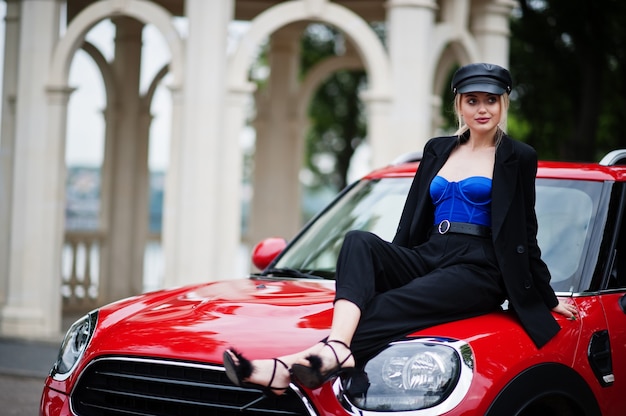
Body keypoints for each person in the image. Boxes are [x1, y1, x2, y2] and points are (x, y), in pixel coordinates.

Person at [223, 62, 579, 394]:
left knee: (386, 305)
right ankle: (336, 348)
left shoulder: (518, 157)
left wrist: (545, 297)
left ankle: (288, 365)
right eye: (473, 101)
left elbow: (524, 231)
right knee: (358, 241)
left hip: (479, 267)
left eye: (491, 100)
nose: (482, 109)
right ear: (459, 105)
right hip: (429, 253)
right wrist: (392, 263)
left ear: (503, 105)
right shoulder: (438, 150)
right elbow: (413, 216)